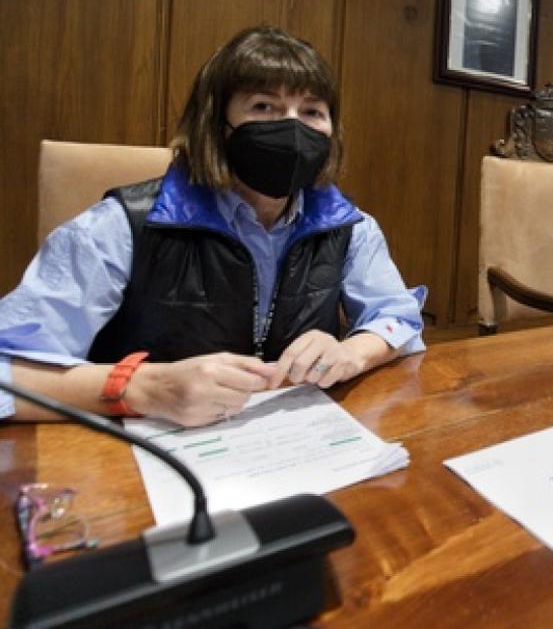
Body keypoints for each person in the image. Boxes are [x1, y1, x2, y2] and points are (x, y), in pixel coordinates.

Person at [0, 26, 426, 427]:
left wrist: (353, 351)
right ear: (215, 124)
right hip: (140, 459)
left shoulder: (350, 227)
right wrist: (142, 387)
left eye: (312, 111)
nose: (293, 127)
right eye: (264, 107)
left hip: (287, 445)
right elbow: (8, 372)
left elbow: (397, 317)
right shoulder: (119, 226)